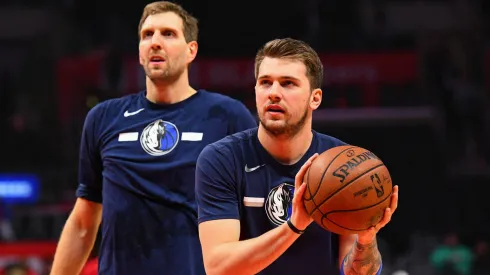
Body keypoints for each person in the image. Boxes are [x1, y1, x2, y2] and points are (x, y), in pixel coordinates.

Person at [50, 2, 257, 275]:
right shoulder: (103, 118)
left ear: (191, 51)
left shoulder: (228, 116)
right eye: (147, 35)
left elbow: (256, 215)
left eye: (168, 34)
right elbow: (82, 223)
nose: (155, 42)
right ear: (139, 52)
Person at [195, 38, 399, 275]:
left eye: (288, 83)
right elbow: (218, 268)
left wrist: (365, 241)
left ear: (315, 98)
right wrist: (294, 225)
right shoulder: (221, 159)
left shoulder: (343, 163)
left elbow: (354, 273)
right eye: (265, 83)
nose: (273, 93)